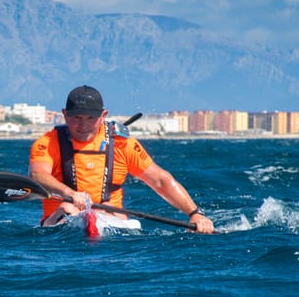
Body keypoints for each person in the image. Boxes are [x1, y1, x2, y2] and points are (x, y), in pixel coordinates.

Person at [29, 85, 215, 234]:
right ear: (64, 114)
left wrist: (195, 214)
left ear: (103, 116)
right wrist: (69, 193)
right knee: (67, 207)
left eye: (90, 118)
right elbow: (37, 175)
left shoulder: (122, 144)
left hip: (110, 217)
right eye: (76, 117)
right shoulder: (47, 142)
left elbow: (159, 180)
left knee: (108, 208)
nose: (83, 125)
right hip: (61, 218)